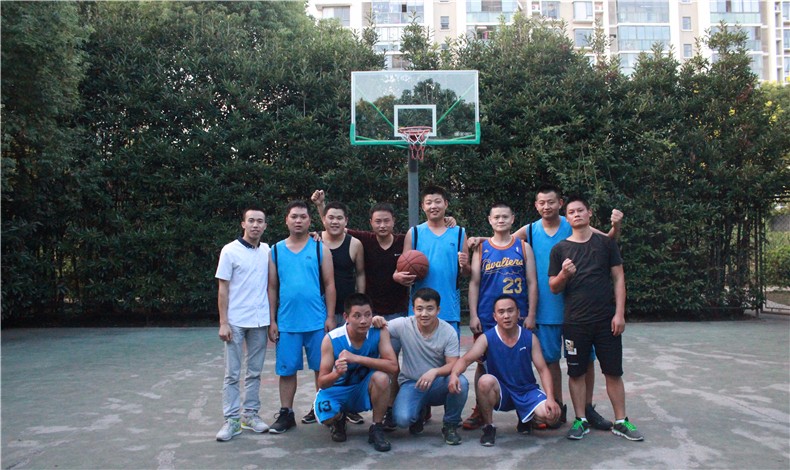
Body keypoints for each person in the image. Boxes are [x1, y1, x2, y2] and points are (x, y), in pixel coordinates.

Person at [548, 196, 643, 441]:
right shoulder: (559, 249)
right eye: (571, 212)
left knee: (613, 371)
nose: (576, 214)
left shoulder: (606, 243)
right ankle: (580, 420)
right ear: (566, 218)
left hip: (606, 321)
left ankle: (621, 421)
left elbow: (619, 278)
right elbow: (553, 287)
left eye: (580, 210)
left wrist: (619, 313)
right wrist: (564, 274)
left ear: (589, 213)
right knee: (576, 373)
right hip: (575, 322)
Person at [463, 202, 538, 432]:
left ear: (513, 219)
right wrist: (473, 314)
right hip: (488, 315)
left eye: (505, 216)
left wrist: (531, 314)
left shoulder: (523, 247)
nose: (501, 220)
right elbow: (474, 282)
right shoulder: (482, 248)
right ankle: (480, 408)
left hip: (517, 315)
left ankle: (525, 410)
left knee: (522, 362)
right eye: (496, 217)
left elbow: (532, 282)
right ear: (489, 220)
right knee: (482, 364)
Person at [448, 295, 560, 446]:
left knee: (551, 416)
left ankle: (526, 418)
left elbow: (543, 370)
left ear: (518, 313)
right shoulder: (487, 338)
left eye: (510, 311)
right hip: (503, 392)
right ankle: (489, 427)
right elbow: (466, 360)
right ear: (495, 316)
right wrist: (454, 374)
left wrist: (551, 398)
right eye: (501, 312)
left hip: (526, 391)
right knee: (484, 381)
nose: (506, 316)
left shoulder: (530, 338)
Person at [267, 200, 336, 434]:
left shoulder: (319, 248)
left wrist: (330, 316)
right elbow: (272, 287)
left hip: (316, 322)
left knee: (322, 369)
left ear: (310, 221)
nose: (298, 220)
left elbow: (329, 284)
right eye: (294, 216)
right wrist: (272, 320)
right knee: (287, 370)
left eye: (303, 217)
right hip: (287, 323)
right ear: (286, 220)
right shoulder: (275, 250)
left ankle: (323, 410)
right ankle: (286, 414)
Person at [372, 288, 469, 445]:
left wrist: (434, 372)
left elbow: (453, 364)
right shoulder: (404, 324)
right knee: (402, 420)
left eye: (430, 309)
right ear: (413, 309)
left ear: (438, 310)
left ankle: (450, 425)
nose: (424, 314)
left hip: (438, 383)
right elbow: (379, 327)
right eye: (419, 309)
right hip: (412, 383)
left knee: (461, 383)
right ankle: (419, 412)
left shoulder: (448, 331)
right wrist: (376, 320)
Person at [214, 208, 273, 441]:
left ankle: (250, 415)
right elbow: (223, 288)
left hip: (260, 321)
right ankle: (232, 420)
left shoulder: (268, 251)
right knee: (232, 374)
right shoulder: (229, 251)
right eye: (251, 221)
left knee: (255, 372)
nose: (255, 225)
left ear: (265, 226)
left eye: (260, 221)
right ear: (243, 224)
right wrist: (223, 322)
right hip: (235, 322)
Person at [314, 293, 398, 452]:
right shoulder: (331, 339)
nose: (363, 320)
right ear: (346, 317)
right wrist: (337, 373)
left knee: (382, 378)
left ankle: (376, 427)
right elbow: (322, 383)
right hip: (337, 390)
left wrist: (357, 358)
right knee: (327, 416)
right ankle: (339, 418)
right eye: (357, 316)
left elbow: (393, 366)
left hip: (362, 389)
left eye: (368, 315)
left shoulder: (379, 331)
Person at [310, 199, 366, 425]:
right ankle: (320, 401)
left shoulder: (355, 244)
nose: (334, 221)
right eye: (330, 217)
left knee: (348, 357)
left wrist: (361, 305)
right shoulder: (314, 240)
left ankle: (349, 405)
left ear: (346, 221)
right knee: (322, 360)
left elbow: (360, 273)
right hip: (320, 309)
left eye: (339, 218)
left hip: (347, 310)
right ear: (323, 219)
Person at [397, 184, 469, 337]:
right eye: (429, 202)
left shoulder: (459, 233)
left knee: (450, 352)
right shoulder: (414, 233)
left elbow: (466, 273)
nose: (433, 206)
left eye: (437, 202)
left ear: (446, 204)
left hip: (449, 308)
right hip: (419, 310)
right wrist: (399, 277)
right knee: (417, 352)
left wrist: (464, 265)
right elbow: (400, 270)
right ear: (423, 206)